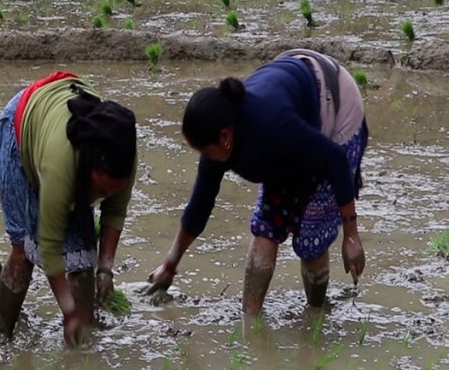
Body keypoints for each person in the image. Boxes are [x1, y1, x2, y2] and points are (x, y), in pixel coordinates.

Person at [146, 49, 368, 315]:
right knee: (266, 227)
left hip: (335, 106)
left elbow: (335, 162)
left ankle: (315, 316)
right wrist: (170, 265)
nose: (203, 158)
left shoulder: (274, 125)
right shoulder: (221, 144)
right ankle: (250, 320)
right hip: (292, 114)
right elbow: (199, 207)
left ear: (225, 136)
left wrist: (351, 236)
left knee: (312, 236)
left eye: (203, 150)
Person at [0, 71, 137, 345]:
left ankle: (82, 350)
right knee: (24, 248)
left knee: (82, 259)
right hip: (21, 125)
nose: (104, 197)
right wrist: (69, 311)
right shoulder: (60, 164)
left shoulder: (123, 155)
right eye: (101, 189)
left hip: (62, 127)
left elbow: (115, 212)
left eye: (111, 190)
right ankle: (2, 332)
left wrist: (105, 270)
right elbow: (49, 246)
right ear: (87, 167)